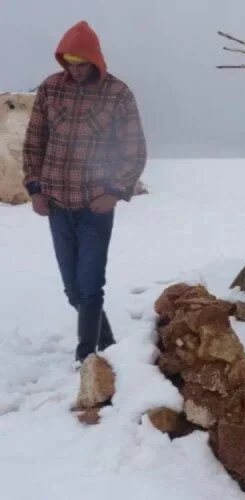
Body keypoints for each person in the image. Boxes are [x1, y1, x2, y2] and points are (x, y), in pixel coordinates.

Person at [23, 20, 147, 364]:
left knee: (91, 286)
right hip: (57, 204)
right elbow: (34, 142)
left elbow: (133, 149)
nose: (76, 71)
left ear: (95, 60)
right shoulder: (51, 88)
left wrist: (115, 190)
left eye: (82, 64)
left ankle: (86, 357)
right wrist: (35, 188)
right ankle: (107, 345)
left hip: (95, 206)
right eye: (70, 64)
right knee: (74, 290)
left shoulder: (118, 94)